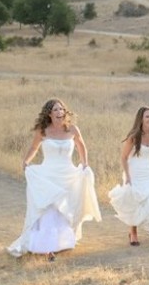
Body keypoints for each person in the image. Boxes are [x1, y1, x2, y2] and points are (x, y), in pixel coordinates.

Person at [7, 99, 102, 261]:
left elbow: (81, 146)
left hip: (67, 175)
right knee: (49, 210)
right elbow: (34, 147)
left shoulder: (72, 129)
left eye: (61, 109)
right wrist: (26, 161)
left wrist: (85, 163)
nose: (59, 112)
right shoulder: (43, 131)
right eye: (55, 110)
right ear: (49, 114)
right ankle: (47, 248)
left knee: (63, 211)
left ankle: (59, 243)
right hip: (48, 175)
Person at [108, 106, 149, 246]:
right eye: (147, 116)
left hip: (148, 170)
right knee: (135, 200)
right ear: (141, 119)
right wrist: (128, 177)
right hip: (134, 171)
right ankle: (133, 233)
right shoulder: (133, 137)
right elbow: (123, 157)